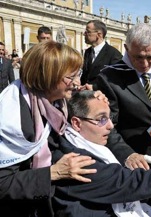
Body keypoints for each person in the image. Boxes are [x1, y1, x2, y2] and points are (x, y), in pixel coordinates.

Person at [52, 90, 151, 217]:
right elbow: (131, 183)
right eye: (101, 119)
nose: (110, 126)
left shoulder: (73, 142)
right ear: (77, 123)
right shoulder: (76, 160)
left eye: (109, 117)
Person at [0, 41, 98, 217]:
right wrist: (53, 173)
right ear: (48, 77)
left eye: (79, 73)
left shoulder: (55, 101)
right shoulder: (13, 116)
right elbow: (3, 183)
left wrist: (94, 100)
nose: (77, 82)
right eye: (71, 76)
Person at [92, 23, 151, 208]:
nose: (146, 64)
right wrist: (127, 154)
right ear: (126, 48)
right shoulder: (108, 78)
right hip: (129, 156)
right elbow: (107, 126)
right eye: (138, 57)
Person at [80, 20, 122, 85]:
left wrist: (94, 87)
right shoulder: (87, 52)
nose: (84, 34)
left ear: (99, 35)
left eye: (88, 32)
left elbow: (116, 81)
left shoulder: (114, 54)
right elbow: (85, 76)